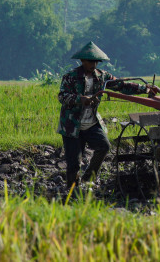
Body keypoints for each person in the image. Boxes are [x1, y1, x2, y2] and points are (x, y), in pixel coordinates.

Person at [57, 41, 146, 189]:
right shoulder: (70, 77)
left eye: (96, 62)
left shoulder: (102, 76)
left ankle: (87, 179)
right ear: (82, 61)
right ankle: (71, 190)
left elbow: (121, 85)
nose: (94, 65)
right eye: (91, 61)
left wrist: (144, 88)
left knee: (104, 146)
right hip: (72, 126)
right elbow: (62, 96)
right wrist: (81, 99)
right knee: (74, 163)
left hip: (91, 123)